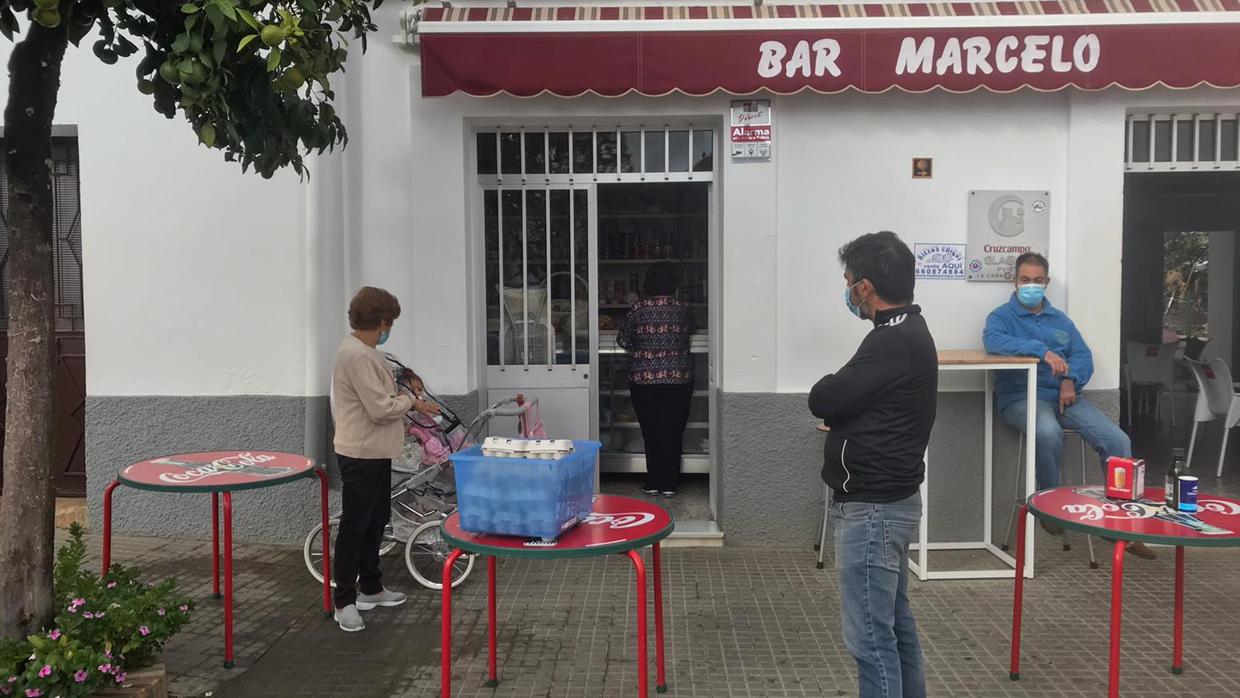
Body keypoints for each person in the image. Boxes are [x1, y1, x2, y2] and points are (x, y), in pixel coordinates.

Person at [809, 231, 936, 698]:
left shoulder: (892, 340)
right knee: (895, 627)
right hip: (887, 504)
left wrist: (834, 393)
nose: (847, 292)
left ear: (865, 287)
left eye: (848, 282)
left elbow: (825, 398)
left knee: (870, 640)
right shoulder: (905, 332)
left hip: (873, 510)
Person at [983, 253, 1156, 559]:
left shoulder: (1061, 320)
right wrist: (1042, 351)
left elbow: (1082, 356)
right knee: (1048, 432)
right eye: (1025, 280)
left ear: (1046, 282)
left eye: (1038, 280)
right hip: (1021, 397)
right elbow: (993, 342)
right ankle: (1049, 507)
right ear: (1015, 281)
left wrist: (1069, 379)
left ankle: (1120, 524)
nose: (1031, 286)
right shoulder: (1001, 317)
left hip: (1066, 397)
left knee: (1118, 440)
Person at [330, 286, 440, 632]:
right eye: (389, 322)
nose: (389, 329)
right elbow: (380, 408)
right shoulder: (357, 356)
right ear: (381, 322)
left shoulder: (366, 352)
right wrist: (411, 403)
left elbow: (383, 397)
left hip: (375, 451)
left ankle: (371, 587)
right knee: (355, 526)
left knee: (376, 521)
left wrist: (407, 398)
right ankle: (344, 601)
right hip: (360, 452)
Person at [617, 263, 697, 497]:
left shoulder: (639, 308)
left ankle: (653, 481)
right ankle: (670, 483)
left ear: (648, 284)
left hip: (644, 378)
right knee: (674, 429)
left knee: (651, 430)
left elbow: (624, 340)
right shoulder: (684, 309)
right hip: (678, 377)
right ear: (674, 285)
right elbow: (693, 329)